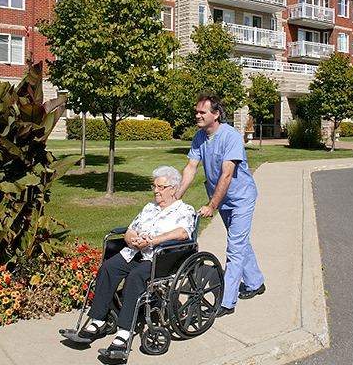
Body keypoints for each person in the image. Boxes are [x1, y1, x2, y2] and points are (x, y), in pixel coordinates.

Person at [73, 166, 196, 358]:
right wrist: (133, 240)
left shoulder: (184, 210)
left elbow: (182, 233)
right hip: (135, 253)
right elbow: (131, 229)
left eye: (161, 187)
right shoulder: (149, 208)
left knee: (135, 277)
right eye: (154, 186)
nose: (156, 190)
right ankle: (98, 319)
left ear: (173, 188)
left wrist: (153, 241)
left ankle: (124, 332)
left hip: (159, 258)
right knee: (108, 268)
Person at [176, 91, 266, 318]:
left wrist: (211, 205)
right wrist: (175, 198)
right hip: (223, 198)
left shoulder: (231, 136)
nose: (197, 115)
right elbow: (190, 169)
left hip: (241, 197)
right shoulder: (200, 137)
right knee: (240, 241)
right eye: (196, 112)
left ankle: (227, 302)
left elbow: (227, 175)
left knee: (234, 247)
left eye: (201, 112)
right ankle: (256, 283)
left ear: (216, 114)